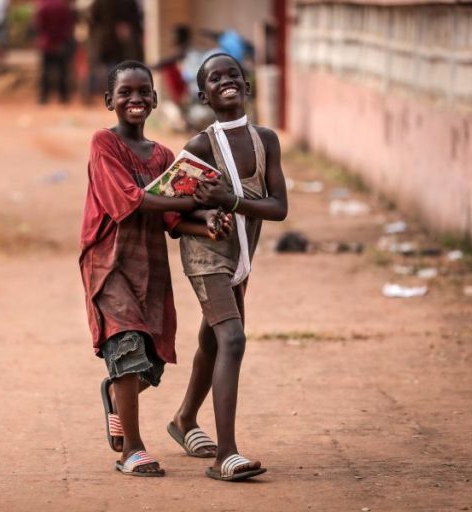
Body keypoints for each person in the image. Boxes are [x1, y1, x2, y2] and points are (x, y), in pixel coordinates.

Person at [80, 60, 231, 477]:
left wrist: (208, 223)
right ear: (109, 100)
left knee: (151, 363)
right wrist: (189, 202)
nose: (136, 99)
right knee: (126, 346)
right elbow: (130, 200)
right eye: (125, 92)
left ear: (155, 99)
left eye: (143, 91)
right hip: (109, 262)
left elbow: (172, 222)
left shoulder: (164, 155)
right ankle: (132, 449)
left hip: (151, 267)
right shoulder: (103, 144)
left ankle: (115, 393)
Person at [167, 52, 288, 482]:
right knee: (232, 338)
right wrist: (206, 217)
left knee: (212, 339)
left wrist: (231, 202)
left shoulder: (265, 141)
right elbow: (173, 216)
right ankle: (226, 456)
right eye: (215, 79)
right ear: (204, 95)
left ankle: (183, 420)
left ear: (247, 84)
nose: (226, 81)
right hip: (205, 257)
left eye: (233, 74)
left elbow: (278, 208)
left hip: (241, 258)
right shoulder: (200, 148)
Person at [34, 0, 74, 104]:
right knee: (63, 70)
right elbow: (68, 25)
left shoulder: (43, 6)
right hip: (61, 43)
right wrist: (60, 38)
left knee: (45, 71)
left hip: (47, 43)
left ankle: (44, 97)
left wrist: (48, 38)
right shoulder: (63, 6)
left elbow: (39, 25)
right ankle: (64, 96)